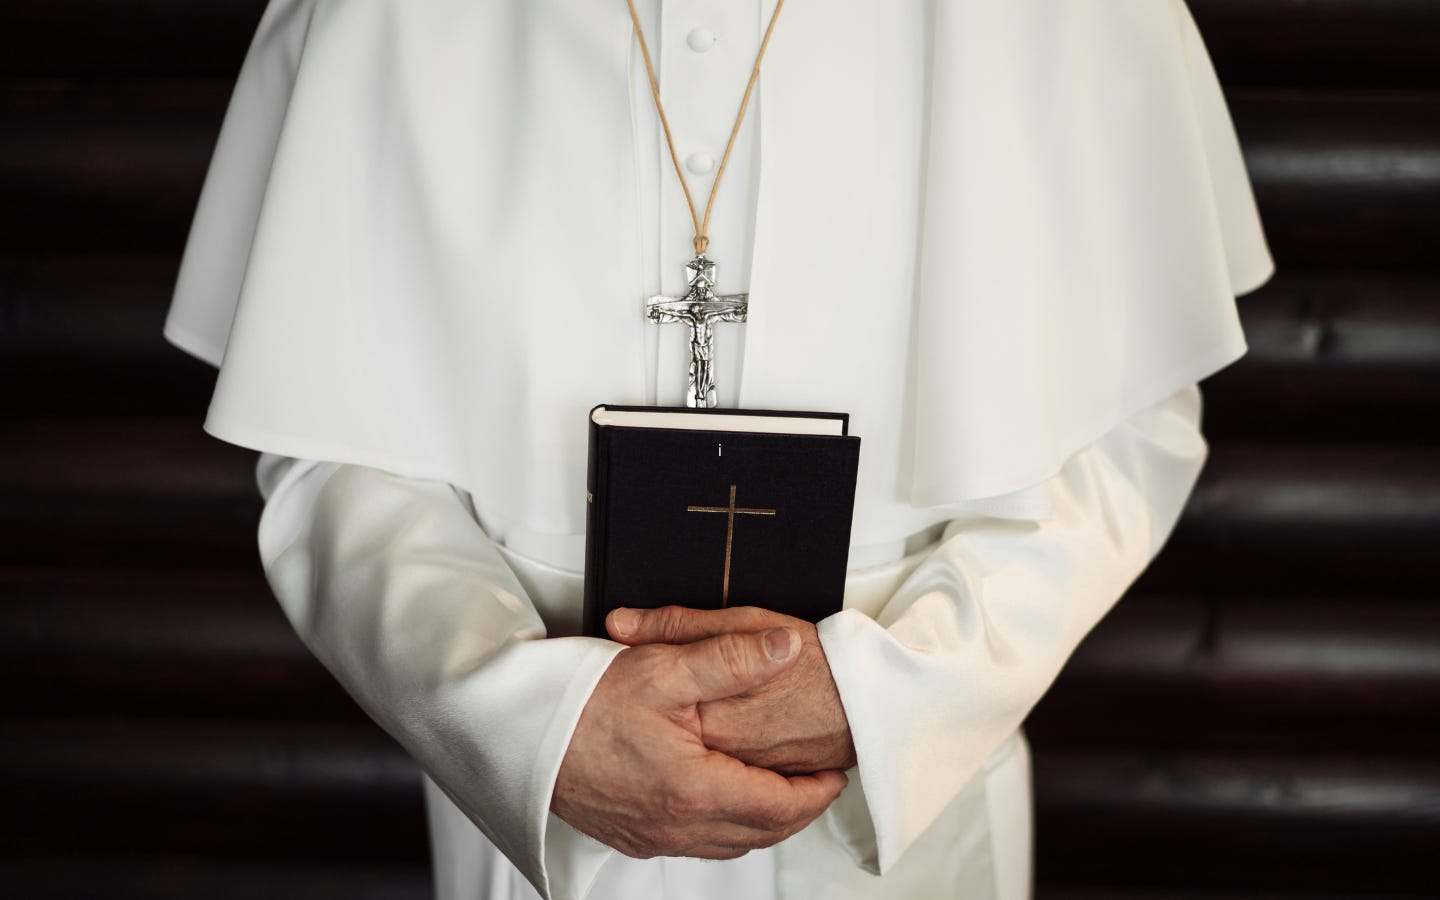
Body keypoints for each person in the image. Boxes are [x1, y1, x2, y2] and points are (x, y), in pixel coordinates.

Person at [166, 1, 1273, 898]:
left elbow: (1128, 421)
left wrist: (900, 697)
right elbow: (332, 444)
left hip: (901, 815)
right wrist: (526, 720)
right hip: (547, 805)